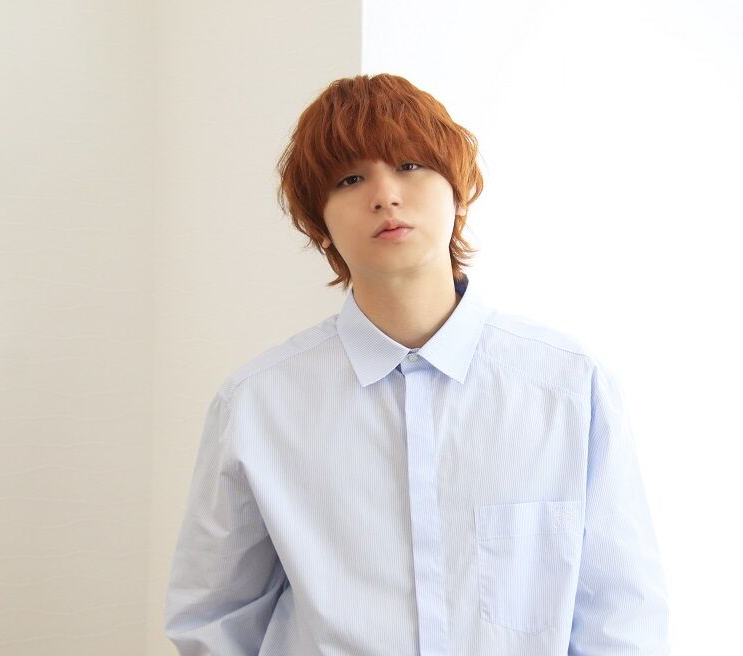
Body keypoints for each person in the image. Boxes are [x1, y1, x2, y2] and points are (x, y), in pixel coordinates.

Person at [163, 73, 670, 655]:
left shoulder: (568, 385)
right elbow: (214, 619)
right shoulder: (257, 405)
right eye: (349, 179)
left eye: (409, 165)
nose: (385, 195)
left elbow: (621, 616)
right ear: (318, 225)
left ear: (458, 191)